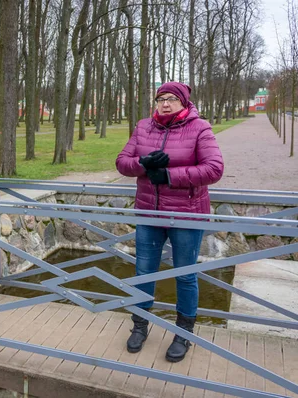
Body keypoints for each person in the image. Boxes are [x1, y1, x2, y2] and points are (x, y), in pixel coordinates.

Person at [115, 81, 224, 362]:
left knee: (185, 275)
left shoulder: (199, 127)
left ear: (184, 102)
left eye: (172, 99)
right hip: (149, 214)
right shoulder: (143, 127)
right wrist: (145, 163)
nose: (165, 103)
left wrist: (169, 176)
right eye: (160, 98)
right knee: (144, 272)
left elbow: (214, 168)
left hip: (186, 214)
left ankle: (183, 334)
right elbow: (122, 162)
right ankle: (140, 325)